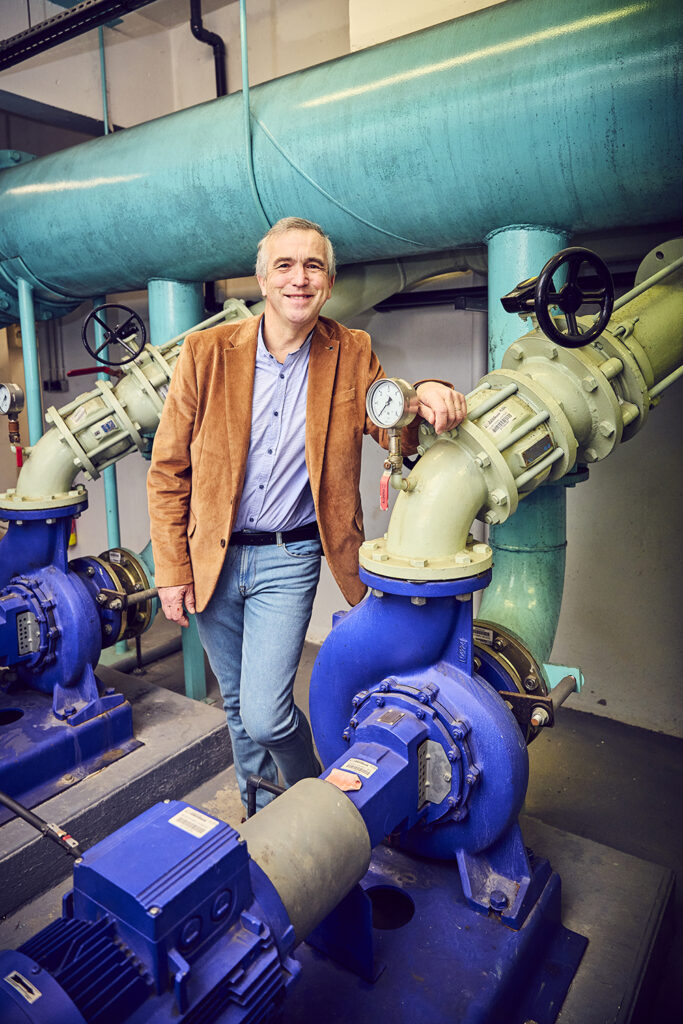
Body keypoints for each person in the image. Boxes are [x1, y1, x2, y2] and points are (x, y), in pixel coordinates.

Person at [147, 217, 467, 811]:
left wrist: (428, 391)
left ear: (329, 281)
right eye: (286, 266)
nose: (300, 279)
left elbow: (391, 417)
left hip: (287, 557)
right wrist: (171, 568)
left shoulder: (351, 351)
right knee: (240, 710)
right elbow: (168, 469)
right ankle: (261, 814)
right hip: (211, 556)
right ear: (263, 279)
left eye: (313, 266)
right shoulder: (206, 352)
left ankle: (316, 806)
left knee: (267, 714)